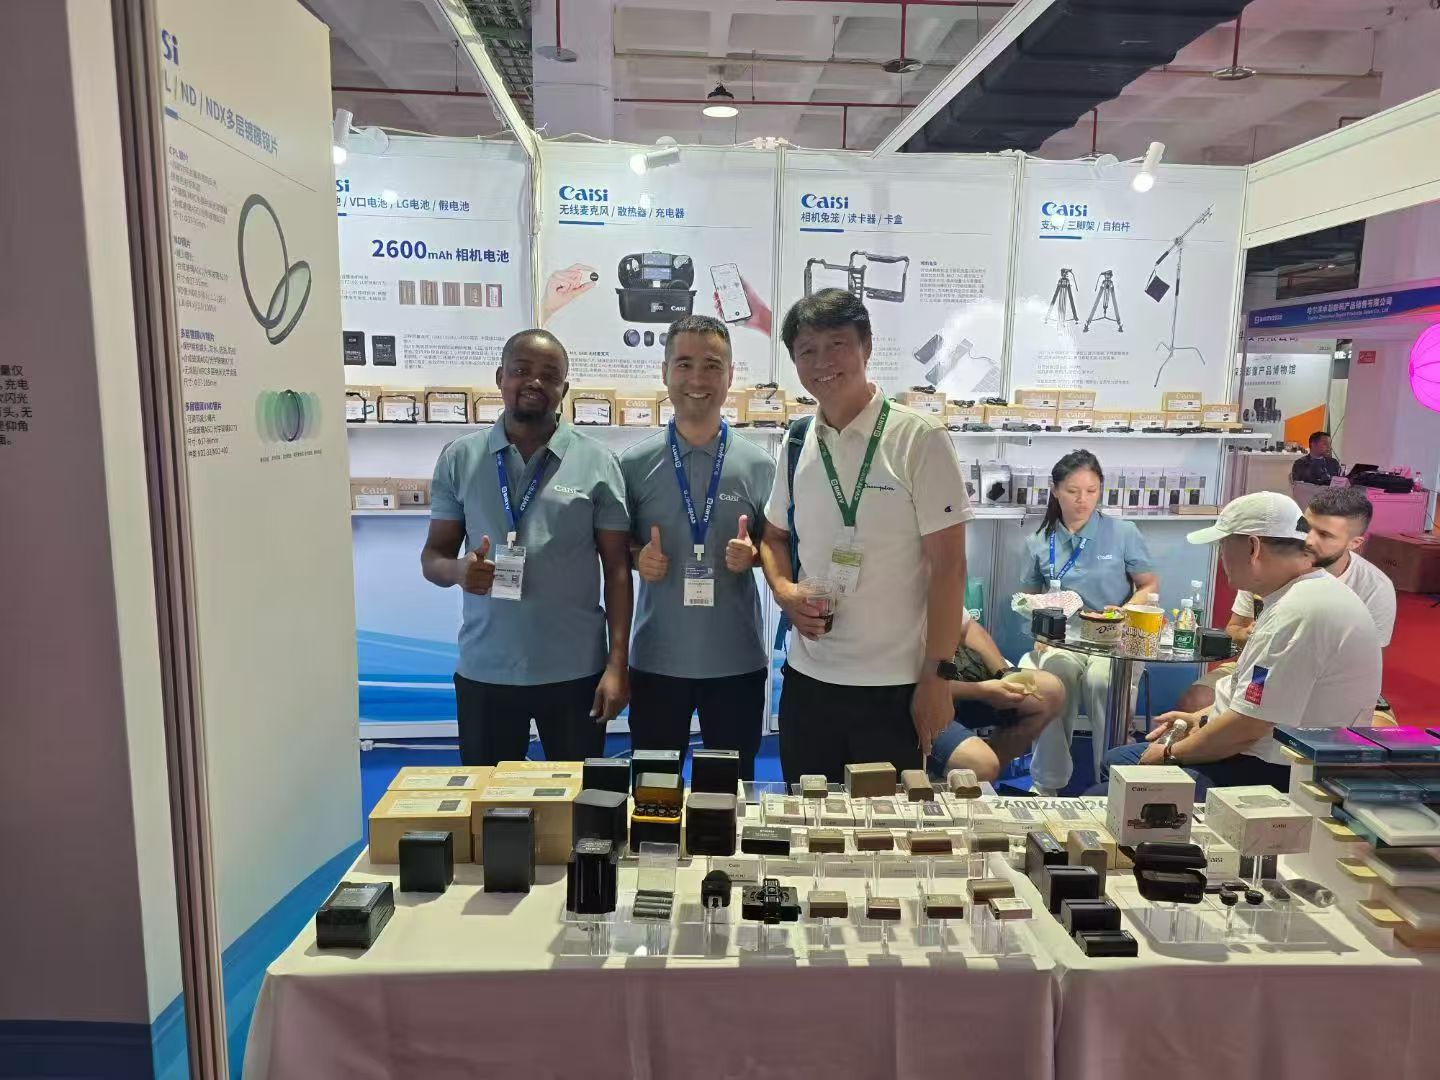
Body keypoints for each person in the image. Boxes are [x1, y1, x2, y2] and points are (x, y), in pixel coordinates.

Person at [759, 289, 972, 786]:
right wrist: (785, 591)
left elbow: (950, 567)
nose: (823, 363)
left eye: (837, 344)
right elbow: (772, 537)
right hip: (809, 682)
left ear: (867, 347)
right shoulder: (797, 441)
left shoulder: (919, 438)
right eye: (807, 351)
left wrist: (937, 677)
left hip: (894, 687)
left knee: (887, 825)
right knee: (806, 818)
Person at [421, 329, 633, 765]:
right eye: (521, 370)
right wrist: (458, 571)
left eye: (549, 375)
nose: (534, 382)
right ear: (500, 377)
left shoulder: (597, 462)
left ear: (564, 389)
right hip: (487, 668)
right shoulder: (460, 458)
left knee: (580, 799)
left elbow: (616, 570)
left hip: (575, 670)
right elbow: (433, 557)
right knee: (489, 800)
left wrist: (617, 665)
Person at [1099, 492, 1381, 797]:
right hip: (1264, 751)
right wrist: (1201, 718)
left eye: (1224, 545)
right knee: (1117, 762)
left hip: (1279, 770)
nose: (1222, 558)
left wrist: (1170, 754)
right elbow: (1257, 700)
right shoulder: (1301, 597)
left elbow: (1246, 728)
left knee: (1110, 784)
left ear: (1253, 547)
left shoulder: (1300, 612)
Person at [619, 315, 776, 780]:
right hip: (657, 658)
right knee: (654, 789)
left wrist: (755, 555)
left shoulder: (759, 465)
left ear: (730, 375)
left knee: (729, 789)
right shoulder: (633, 464)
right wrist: (637, 557)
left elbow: (779, 546)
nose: (697, 379)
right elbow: (614, 545)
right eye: (684, 364)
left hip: (735, 660)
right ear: (665, 371)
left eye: (712, 366)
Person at [1018, 451, 1159, 795]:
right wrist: (1039, 628)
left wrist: (1123, 612)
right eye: (1073, 491)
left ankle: (1110, 781)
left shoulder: (1122, 532)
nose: (1083, 500)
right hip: (1065, 639)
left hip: (1114, 638)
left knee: (1102, 681)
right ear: (1055, 491)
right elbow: (1029, 598)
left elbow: (1149, 585)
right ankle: (1047, 782)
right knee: (1053, 680)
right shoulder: (1039, 542)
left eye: (1091, 491)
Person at [927, 615, 1067, 784]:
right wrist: (984, 692)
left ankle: (986, 780)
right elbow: (915, 686)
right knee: (982, 765)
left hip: (955, 674)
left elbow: (968, 627)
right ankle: (935, 782)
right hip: (920, 698)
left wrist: (1004, 674)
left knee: (1049, 691)